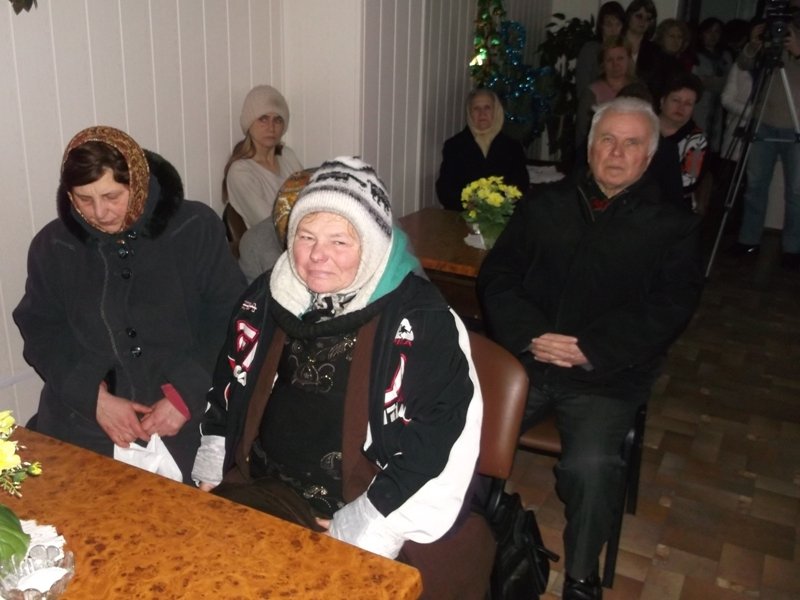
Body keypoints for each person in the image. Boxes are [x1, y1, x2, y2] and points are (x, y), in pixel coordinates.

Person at [193, 157, 489, 598]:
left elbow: (441, 438)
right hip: (265, 485)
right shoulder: (267, 296)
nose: (317, 255)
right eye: (306, 236)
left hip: (361, 499)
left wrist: (370, 520)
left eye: (339, 241)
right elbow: (229, 378)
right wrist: (215, 454)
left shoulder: (421, 319)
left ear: (371, 245)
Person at [476, 97, 704, 600]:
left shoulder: (674, 226)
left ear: (649, 155)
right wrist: (531, 334)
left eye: (631, 143)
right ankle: (465, 539)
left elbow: (670, 308)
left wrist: (590, 349)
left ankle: (582, 578)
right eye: (607, 140)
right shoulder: (544, 204)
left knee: (591, 466)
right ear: (590, 145)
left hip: (606, 375)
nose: (617, 153)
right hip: (528, 361)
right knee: (464, 434)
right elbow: (498, 275)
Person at [13, 126, 246, 483]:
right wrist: (92, 396)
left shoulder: (194, 227)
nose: (100, 212)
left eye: (112, 196)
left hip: (186, 419)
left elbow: (230, 318)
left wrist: (186, 394)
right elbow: (42, 331)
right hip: (86, 423)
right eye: (83, 199)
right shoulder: (54, 246)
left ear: (137, 183)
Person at [733, 5, 800, 269]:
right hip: (764, 120)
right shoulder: (773, 31)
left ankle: (793, 248)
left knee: (796, 192)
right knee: (755, 185)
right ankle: (748, 239)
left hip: (797, 124)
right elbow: (744, 64)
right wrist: (753, 45)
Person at [223, 85, 303, 229]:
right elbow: (269, 222)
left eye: (277, 120)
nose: (271, 128)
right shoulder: (240, 171)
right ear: (249, 124)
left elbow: (310, 197)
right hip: (271, 241)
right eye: (263, 119)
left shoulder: (287, 156)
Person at [436, 88, 529, 210]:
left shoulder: (513, 147)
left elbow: (521, 184)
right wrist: (467, 204)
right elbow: (445, 188)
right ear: (469, 113)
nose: (482, 113)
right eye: (476, 108)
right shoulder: (454, 146)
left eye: (487, 108)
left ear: (496, 111)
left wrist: (499, 205)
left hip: (503, 215)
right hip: (463, 215)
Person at [659, 73, 710, 212]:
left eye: (688, 104)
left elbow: (687, 184)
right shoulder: (643, 126)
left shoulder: (697, 141)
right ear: (662, 101)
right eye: (676, 100)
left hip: (671, 208)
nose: (681, 107)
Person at [575, 36, 637, 145]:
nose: (615, 64)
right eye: (609, 60)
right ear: (603, 64)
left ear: (629, 60)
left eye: (620, 58)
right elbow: (585, 132)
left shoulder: (639, 89)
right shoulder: (591, 93)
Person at [692, 18, 733, 154]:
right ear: (702, 33)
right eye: (709, 31)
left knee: (714, 147)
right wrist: (716, 81)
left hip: (719, 109)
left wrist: (712, 81)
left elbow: (730, 83)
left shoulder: (725, 56)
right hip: (699, 106)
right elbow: (698, 81)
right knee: (696, 144)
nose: (713, 35)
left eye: (717, 32)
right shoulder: (695, 55)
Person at [575, 1, 626, 100]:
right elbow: (582, 87)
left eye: (618, 24)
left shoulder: (624, 50)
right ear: (601, 25)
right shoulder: (590, 49)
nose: (614, 29)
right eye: (609, 24)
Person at [649, 18, 693, 101]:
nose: (676, 41)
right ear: (662, 37)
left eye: (679, 37)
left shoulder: (679, 65)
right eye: (671, 36)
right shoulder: (651, 57)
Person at [624, 0, 659, 78]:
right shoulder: (615, 43)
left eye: (648, 18)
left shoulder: (655, 51)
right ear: (629, 16)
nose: (643, 21)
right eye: (639, 16)